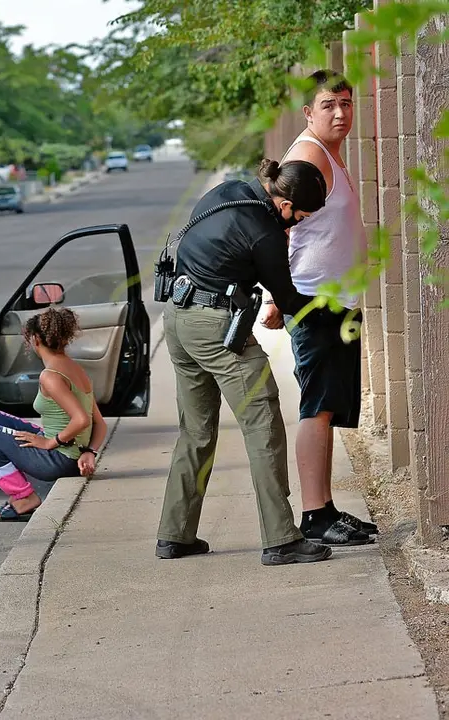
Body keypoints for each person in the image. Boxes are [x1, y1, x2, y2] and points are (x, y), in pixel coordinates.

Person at [157, 158, 335, 566]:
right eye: (300, 218)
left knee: (196, 431)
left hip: (177, 318)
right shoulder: (264, 231)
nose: (296, 228)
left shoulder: (227, 192)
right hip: (215, 326)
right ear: (286, 205)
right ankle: (281, 539)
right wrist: (326, 308)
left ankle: (175, 534)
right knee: (264, 423)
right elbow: (289, 299)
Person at [259, 69, 376, 547]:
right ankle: (314, 515)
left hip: (333, 300)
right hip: (314, 301)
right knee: (317, 407)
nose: (341, 113)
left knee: (328, 406)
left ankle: (324, 508)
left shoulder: (327, 153)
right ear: (309, 112)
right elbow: (279, 226)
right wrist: (273, 298)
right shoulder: (309, 155)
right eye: (329, 105)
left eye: (346, 103)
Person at [0, 307, 108, 521]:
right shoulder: (76, 369)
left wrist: (49, 443)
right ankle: (21, 494)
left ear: (35, 339)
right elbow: (100, 423)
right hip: (73, 453)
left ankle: (23, 497)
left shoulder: (50, 376)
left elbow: (82, 419)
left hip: (58, 458)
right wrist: (90, 452)